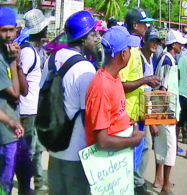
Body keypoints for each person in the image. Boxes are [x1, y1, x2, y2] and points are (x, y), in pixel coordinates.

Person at [40, 11, 97, 195]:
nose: (97, 39)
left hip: (54, 149)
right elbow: (87, 117)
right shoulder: (85, 68)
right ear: (82, 39)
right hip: (76, 154)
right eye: (94, 34)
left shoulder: (52, 59)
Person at [85, 25, 145, 157]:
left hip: (117, 160)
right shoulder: (102, 86)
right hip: (108, 164)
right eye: (129, 49)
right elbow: (102, 141)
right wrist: (133, 140)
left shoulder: (115, 78)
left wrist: (129, 124)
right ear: (123, 54)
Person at [120, 8, 160, 195]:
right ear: (135, 26)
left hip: (136, 115)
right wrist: (145, 80)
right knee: (126, 163)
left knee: (134, 160)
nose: (147, 26)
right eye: (144, 23)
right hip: (127, 117)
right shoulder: (126, 51)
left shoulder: (135, 51)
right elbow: (120, 85)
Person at [154, 29, 187, 194]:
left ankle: (158, 179)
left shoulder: (165, 58)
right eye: (180, 44)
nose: (182, 46)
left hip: (164, 107)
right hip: (166, 108)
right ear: (174, 45)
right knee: (169, 146)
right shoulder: (168, 61)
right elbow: (163, 88)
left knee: (161, 145)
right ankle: (165, 185)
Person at [0, 7, 28, 195]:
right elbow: (16, 94)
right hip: (4, 133)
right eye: (3, 30)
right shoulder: (2, 58)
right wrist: (12, 61)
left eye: (12, 30)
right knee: (5, 183)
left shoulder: (10, 53)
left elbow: (25, 90)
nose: (8, 35)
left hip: (12, 131)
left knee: (13, 179)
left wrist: (17, 63)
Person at [18, 9, 47, 191]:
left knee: (36, 151)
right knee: (29, 152)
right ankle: (26, 186)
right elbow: (22, 76)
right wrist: (25, 88)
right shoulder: (28, 52)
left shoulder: (33, 50)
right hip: (27, 110)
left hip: (32, 109)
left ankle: (35, 184)